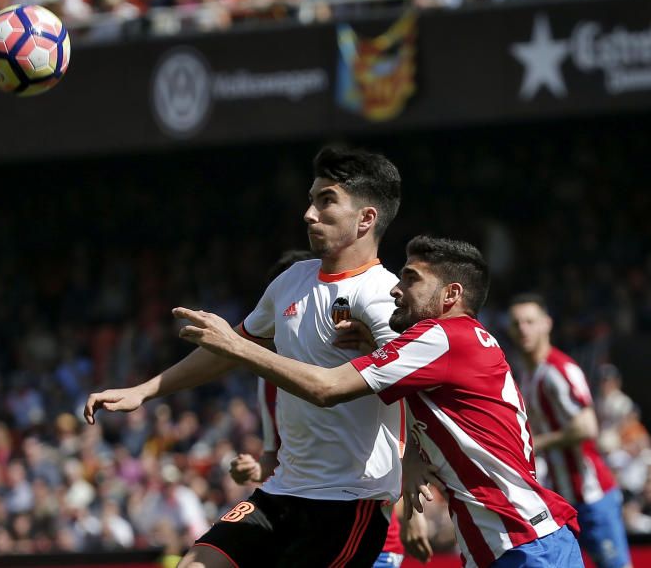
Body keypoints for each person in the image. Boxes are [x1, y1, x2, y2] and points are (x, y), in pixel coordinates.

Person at [167, 236, 582, 567]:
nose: (397, 289)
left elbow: (326, 388)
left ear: (450, 294)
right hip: (512, 538)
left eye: (412, 279)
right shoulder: (464, 341)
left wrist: (235, 346)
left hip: (523, 544)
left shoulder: (441, 338)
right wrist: (414, 457)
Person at [86, 147, 406, 567]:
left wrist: (418, 477)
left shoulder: (384, 297)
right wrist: (143, 391)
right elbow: (226, 354)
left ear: (366, 218)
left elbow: (390, 393)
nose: (309, 214)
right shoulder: (292, 280)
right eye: (311, 199)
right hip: (280, 492)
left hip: (348, 502)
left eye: (326, 200)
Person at [227, 249, 432, 567]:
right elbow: (274, 458)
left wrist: (409, 514)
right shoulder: (267, 383)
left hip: (369, 512)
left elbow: (405, 420)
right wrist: (256, 470)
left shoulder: (364, 354)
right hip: (300, 513)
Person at [508, 294, 633, 568]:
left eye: (530, 321)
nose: (523, 329)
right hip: (564, 500)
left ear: (547, 324)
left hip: (593, 496)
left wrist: (537, 443)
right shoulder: (528, 375)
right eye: (517, 323)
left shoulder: (559, 369)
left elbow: (588, 426)